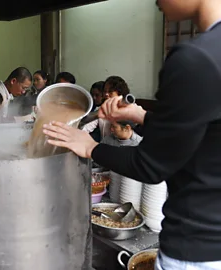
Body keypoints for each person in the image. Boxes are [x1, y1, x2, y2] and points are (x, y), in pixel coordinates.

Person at [43, 0, 221, 268]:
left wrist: (90, 147)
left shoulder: (196, 58)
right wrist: (140, 115)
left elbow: (151, 166)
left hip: (194, 248)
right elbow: (204, 136)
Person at [82, 76, 130, 140]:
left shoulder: (129, 109)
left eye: (110, 92)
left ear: (120, 93)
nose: (106, 94)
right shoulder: (101, 110)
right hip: (105, 146)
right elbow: (87, 128)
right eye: (105, 91)